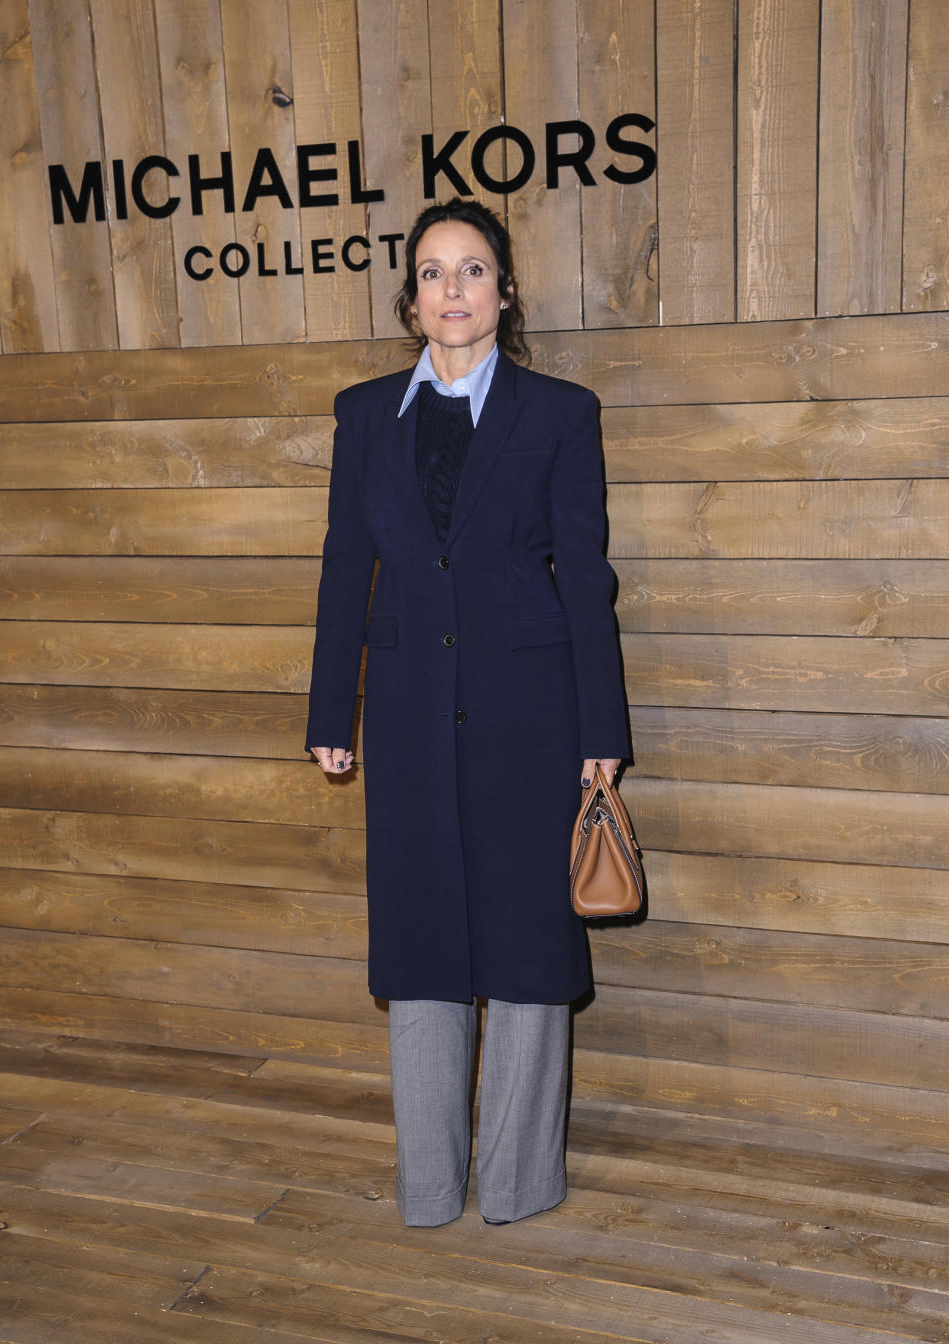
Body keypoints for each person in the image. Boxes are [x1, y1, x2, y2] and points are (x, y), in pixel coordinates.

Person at [305, 198, 629, 1228]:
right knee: (421, 939)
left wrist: (601, 735)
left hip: (532, 714)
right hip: (405, 717)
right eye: (434, 273)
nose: (453, 289)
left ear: (505, 292)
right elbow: (342, 571)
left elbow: (585, 578)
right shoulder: (363, 415)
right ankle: (430, 1184)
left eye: (473, 270)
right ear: (411, 299)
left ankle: (522, 1181)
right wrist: (331, 711)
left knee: (530, 943)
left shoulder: (560, 413)